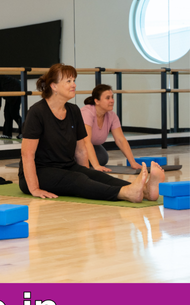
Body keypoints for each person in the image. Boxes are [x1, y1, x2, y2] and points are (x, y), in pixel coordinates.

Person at [18, 64, 165, 203]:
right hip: (40, 171)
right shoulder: (37, 112)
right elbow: (27, 154)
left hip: (67, 167)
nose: (73, 84)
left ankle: (144, 191)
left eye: (74, 80)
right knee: (77, 180)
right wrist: (34, 188)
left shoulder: (74, 110)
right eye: (68, 81)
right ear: (54, 86)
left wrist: (87, 174)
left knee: (96, 175)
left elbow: (81, 150)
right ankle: (125, 193)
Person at [81, 84, 142, 172]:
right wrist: (96, 166)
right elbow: (86, 142)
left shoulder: (112, 115)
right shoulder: (87, 113)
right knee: (89, 159)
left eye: (112, 97)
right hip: (75, 145)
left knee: (102, 158)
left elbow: (120, 139)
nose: (112, 101)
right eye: (107, 98)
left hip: (92, 145)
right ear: (97, 101)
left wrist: (132, 162)